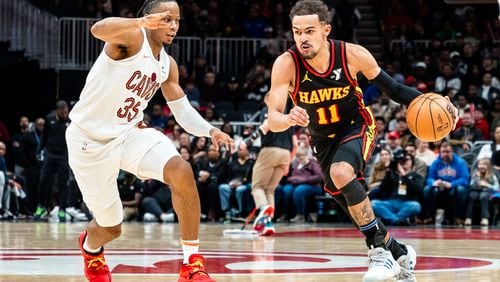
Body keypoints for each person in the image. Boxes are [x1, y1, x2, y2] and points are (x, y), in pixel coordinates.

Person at [266, 1, 457, 280]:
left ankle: (379, 253)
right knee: (345, 196)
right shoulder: (286, 64)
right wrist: (288, 118)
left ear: (325, 30)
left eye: (309, 30)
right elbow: (273, 118)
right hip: (322, 138)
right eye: (297, 32)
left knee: (341, 172)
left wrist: (438, 103)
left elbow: (394, 89)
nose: (303, 38)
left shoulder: (352, 54)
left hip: (357, 124)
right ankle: (398, 250)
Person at [65, 1, 233, 281]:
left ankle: (191, 264)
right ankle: (91, 249)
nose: (173, 26)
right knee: (111, 228)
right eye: (167, 19)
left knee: (181, 170)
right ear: (150, 18)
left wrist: (211, 131)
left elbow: (182, 111)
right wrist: (138, 23)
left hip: (129, 133)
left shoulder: (168, 65)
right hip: (89, 140)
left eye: (177, 20)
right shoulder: (131, 38)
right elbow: (97, 29)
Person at [243, 92, 297, 235]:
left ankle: (262, 208)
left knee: (257, 187)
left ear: (268, 99)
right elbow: (295, 144)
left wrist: (247, 142)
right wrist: (288, 163)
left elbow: (265, 126)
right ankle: (268, 224)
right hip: (285, 154)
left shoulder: (268, 111)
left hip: (270, 151)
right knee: (269, 190)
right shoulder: (287, 116)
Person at [34, 100, 71, 222]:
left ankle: (62, 209)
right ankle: (41, 206)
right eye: (62, 112)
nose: (65, 114)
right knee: (44, 180)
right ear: (57, 111)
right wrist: (39, 151)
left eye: (66, 111)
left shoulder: (71, 121)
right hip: (50, 154)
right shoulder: (49, 119)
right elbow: (44, 137)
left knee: (62, 183)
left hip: (63, 156)